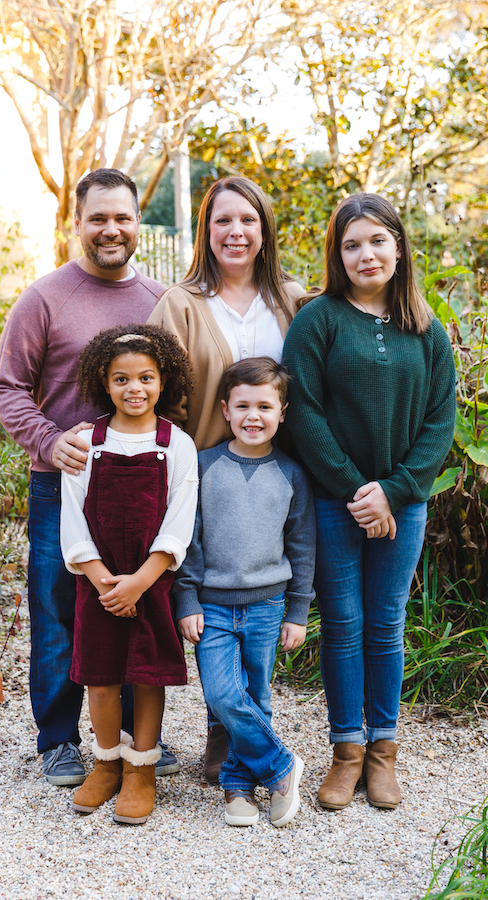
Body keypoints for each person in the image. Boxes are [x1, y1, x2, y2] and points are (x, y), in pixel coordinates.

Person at [0, 169, 178, 787]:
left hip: (139, 486)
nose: (111, 229)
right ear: (77, 223)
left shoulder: (159, 300)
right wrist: (49, 442)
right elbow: (9, 390)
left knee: (137, 603)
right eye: (98, 218)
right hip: (60, 485)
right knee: (59, 612)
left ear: (137, 224)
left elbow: (171, 390)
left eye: (122, 217)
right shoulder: (43, 298)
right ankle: (58, 742)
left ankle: (128, 739)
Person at [282, 193, 456, 811]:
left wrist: (395, 490)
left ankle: (383, 752)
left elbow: (441, 421)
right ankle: (345, 752)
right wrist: (359, 489)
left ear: (400, 246)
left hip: (403, 504)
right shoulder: (318, 321)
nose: (366, 254)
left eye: (378, 240)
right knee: (345, 626)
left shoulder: (425, 327)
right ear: (338, 253)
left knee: (386, 625)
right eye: (352, 244)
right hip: (336, 501)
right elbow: (301, 410)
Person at [148, 175, 307, 780]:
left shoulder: (295, 300)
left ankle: (245, 732)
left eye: (248, 221)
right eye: (222, 221)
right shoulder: (180, 304)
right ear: (205, 230)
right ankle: (222, 731)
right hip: (201, 480)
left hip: (276, 481)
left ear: (264, 230)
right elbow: (156, 396)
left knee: (260, 616)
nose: (235, 232)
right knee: (211, 609)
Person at [60, 324, 198, 822]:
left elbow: (180, 522)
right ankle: (106, 763)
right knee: (99, 677)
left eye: (145, 377)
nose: (134, 388)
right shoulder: (85, 442)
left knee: (145, 674)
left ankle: (141, 768)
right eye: (121, 379)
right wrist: (103, 581)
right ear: (104, 381)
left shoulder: (177, 445)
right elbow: (72, 520)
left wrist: (140, 581)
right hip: (96, 583)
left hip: (152, 579)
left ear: (164, 381)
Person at [174, 357, 316, 827]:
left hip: (267, 605)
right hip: (212, 605)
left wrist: (298, 610)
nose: (253, 416)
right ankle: (280, 765)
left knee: (257, 695)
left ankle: (238, 788)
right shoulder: (204, 465)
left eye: (265, 406)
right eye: (243, 406)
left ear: (282, 412)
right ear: (225, 410)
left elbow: (302, 544)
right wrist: (188, 598)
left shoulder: (292, 474)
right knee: (222, 693)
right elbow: (188, 538)